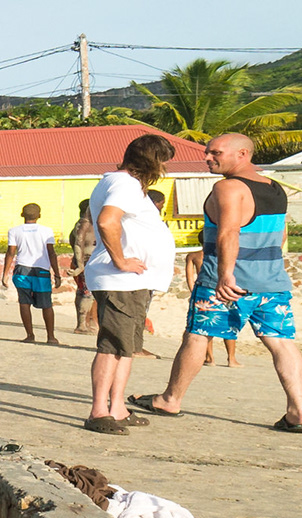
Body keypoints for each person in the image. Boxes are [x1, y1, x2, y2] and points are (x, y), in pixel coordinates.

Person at [133, 132, 302, 431]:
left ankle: (170, 399)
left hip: (226, 282)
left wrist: (225, 274)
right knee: (282, 343)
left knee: (198, 335)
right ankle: (299, 411)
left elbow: (228, 232)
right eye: (208, 152)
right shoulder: (275, 189)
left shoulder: (228, 187)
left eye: (215, 153)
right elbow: (281, 235)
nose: (207, 157)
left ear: (242, 154)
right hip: (270, 281)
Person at [82, 133, 177, 434]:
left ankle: (118, 407)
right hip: (120, 279)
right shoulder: (125, 184)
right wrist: (121, 260)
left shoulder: (123, 183)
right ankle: (99, 411)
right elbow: (107, 221)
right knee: (111, 346)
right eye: (163, 162)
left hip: (132, 281)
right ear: (152, 162)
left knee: (126, 347)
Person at [0, 203, 61, 344]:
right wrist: (57, 274)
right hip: (42, 270)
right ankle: (51, 337)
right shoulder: (47, 231)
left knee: (24, 302)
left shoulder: (14, 231)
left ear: (22, 215)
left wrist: (5, 273)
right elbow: (51, 253)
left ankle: (30, 335)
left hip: (22, 269)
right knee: (47, 305)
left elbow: (10, 253)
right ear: (39, 215)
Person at [180, 248, 241, 367]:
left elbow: (190, 277)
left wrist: (194, 292)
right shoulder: (226, 253)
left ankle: (209, 357)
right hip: (225, 289)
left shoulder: (194, 256)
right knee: (229, 324)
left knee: (205, 326)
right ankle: (231, 359)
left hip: (205, 289)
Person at [68, 198, 97, 333]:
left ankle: (87, 322)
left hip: (83, 262)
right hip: (86, 262)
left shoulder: (85, 224)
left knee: (83, 292)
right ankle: (81, 325)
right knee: (87, 293)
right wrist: (80, 265)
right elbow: (77, 243)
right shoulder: (84, 224)